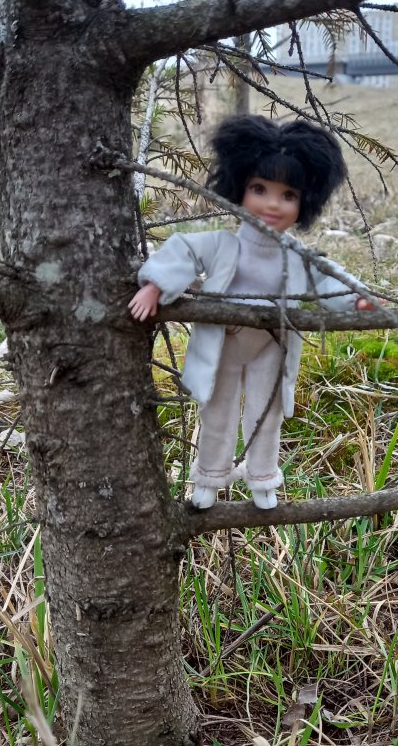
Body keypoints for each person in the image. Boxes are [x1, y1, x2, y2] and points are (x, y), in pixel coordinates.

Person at [129, 115, 374, 510]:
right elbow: (184, 251)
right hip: (224, 339)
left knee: (267, 413)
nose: (272, 204)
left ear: (304, 203)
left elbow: (327, 279)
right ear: (239, 187)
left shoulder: (296, 255)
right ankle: (208, 479)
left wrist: (356, 298)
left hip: (272, 344)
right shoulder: (225, 244)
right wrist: (156, 284)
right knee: (217, 411)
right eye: (260, 189)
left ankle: (263, 482)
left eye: (288, 195)